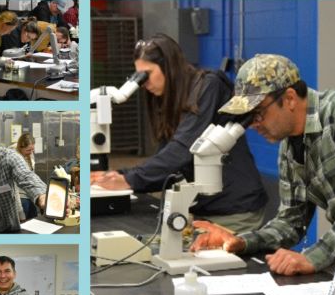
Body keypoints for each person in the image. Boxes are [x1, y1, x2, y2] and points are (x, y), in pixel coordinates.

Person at [190, 54, 335, 276]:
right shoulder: (289, 147)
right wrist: (240, 241)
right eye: (249, 118)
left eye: (258, 113)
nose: (254, 125)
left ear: (290, 98)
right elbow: (290, 222)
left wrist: (314, 257)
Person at [91, 34, 267, 234]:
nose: (144, 83)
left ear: (169, 67)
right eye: (138, 76)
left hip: (233, 210)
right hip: (202, 209)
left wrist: (131, 180)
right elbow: (167, 159)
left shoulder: (209, 85)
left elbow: (182, 151)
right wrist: (121, 175)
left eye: (146, 74)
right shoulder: (173, 98)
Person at [14, 133, 38, 220]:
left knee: (34, 221)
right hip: (21, 198)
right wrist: (20, 210)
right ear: (21, 147)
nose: (31, 152)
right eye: (28, 150)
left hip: (30, 196)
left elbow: (32, 177)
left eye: (32, 150)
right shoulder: (14, 158)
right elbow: (14, 186)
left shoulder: (30, 155)